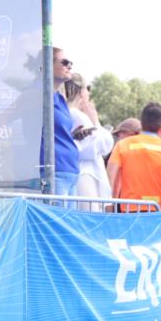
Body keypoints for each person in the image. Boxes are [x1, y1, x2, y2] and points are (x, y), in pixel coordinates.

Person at [107, 102, 161, 211]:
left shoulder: (122, 145)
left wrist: (110, 206)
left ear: (141, 123)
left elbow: (110, 176)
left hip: (130, 210)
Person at [64, 73, 113, 211]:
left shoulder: (66, 113)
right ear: (80, 91)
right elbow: (101, 145)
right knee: (89, 219)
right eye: (88, 88)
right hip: (85, 174)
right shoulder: (77, 115)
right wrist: (96, 121)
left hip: (79, 173)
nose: (89, 93)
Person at [42, 48, 80, 197]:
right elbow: (4, 118)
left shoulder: (59, 98)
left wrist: (73, 135)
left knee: (68, 219)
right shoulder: (36, 94)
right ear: (48, 65)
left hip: (70, 171)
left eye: (70, 63)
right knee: (56, 220)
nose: (69, 66)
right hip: (54, 171)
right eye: (64, 62)